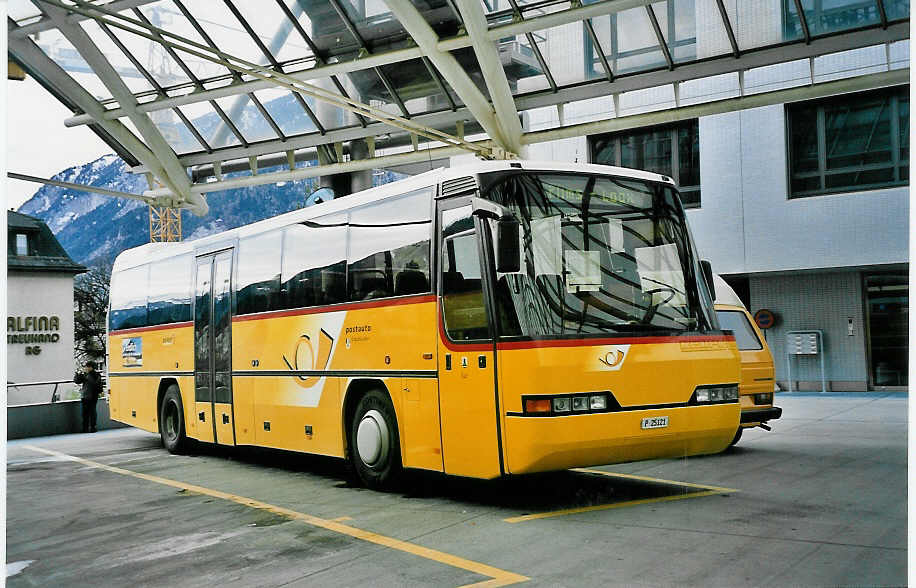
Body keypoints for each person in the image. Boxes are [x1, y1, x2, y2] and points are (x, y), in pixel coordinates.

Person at [74, 361, 103, 433]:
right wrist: (78, 375)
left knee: (86, 413)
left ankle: (86, 428)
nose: (85, 368)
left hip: (88, 396)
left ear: (90, 367)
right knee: (91, 411)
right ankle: (92, 427)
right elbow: (77, 381)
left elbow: (77, 381)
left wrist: (78, 375)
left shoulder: (89, 375)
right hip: (93, 395)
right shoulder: (96, 375)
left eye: (87, 367)